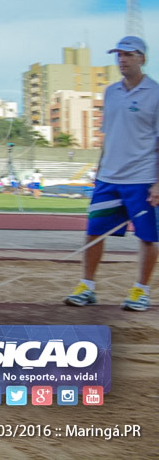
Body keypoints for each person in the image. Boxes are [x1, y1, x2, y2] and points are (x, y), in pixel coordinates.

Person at [64, 35, 159, 312]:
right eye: (119, 55)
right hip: (108, 178)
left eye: (128, 54)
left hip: (141, 178)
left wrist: (157, 183)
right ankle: (87, 286)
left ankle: (141, 290)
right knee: (94, 232)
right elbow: (108, 135)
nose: (122, 59)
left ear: (142, 58)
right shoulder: (110, 92)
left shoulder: (155, 93)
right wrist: (99, 169)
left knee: (147, 237)